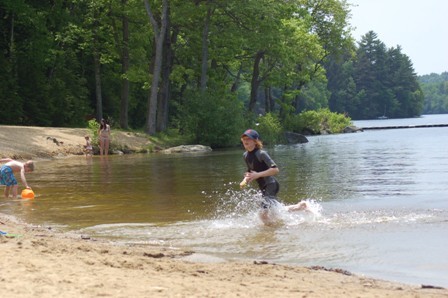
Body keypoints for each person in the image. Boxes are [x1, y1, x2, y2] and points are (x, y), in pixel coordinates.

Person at [239, 129, 308, 225]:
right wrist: (245, 179)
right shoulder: (245, 155)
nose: (245, 141)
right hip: (263, 186)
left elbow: (275, 170)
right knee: (276, 211)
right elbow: (250, 170)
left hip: (271, 184)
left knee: (263, 214)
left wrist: (257, 175)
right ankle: (300, 206)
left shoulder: (261, 154)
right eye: (243, 139)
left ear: (255, 141)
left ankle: (271, 233)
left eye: (248, 139)